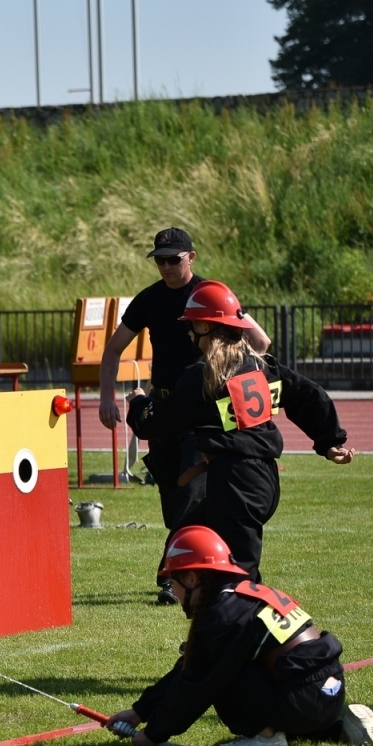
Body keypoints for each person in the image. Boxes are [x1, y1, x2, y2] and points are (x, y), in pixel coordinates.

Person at [126, 279, 353, 580]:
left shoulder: (204, 377)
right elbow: (306, 394)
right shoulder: (261, 367)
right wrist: (329, 440)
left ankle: (245, 616)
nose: (189, 332)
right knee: (190, 529)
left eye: (192, 325)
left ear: (207, 328)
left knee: (241, 577)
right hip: (263, 480)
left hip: (235, 482)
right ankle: (177, 579)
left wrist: (139, 405)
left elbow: (159, 423)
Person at [104, 525, 373, 746]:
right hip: (328, 693)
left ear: (192, 578)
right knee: (229, 667)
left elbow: (195, 685)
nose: (175, 593)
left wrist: (153, 734)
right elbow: (190, 666)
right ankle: (340, 731)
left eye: (174, 582)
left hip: (301, 698)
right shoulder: (243, 595)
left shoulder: (223, 613)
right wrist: (140, 711)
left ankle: (266, 740)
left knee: (223, 675)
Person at [97, 228, 271, 605]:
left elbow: (260, 342)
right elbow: (112, 350)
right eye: (160, 260)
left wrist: (233, 363)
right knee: (173, 497)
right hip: (162, 412)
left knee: (192, 495)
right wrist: (106, 398)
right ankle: (190, 561)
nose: (166, 267)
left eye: (173, 259)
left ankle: (171, 574)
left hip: (199, 410)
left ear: (191, 257)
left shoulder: (210, 294)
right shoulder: (150, 299)